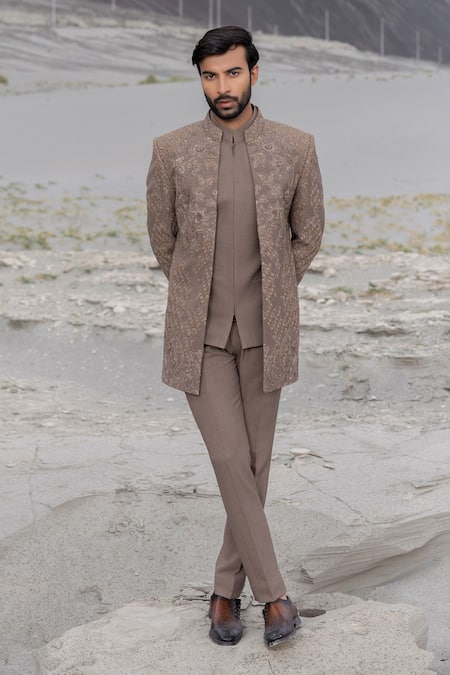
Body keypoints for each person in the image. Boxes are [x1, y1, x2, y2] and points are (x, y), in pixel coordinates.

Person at [146, 25, 324, 648]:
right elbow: (163, 238)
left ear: (254, 73)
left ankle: (224, 591)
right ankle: (274, 595)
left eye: (232, 73)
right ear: (200, 79)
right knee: (229, 458)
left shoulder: (296, 147)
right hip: (198, 335)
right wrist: (197, 290)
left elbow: (308, 233)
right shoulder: (170, 150)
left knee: (253, 464)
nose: (222, 86)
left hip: (267, 331)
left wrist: (271, 288)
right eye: (210, 75)